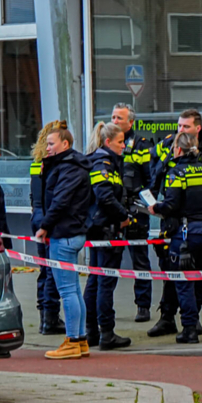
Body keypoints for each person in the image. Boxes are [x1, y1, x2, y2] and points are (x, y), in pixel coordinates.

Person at [147, 109, 202, 339]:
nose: (179, 130)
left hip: (185, 228)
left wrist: (156, 208)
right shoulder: (174, 150)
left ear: (197, 128)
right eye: (179, 125)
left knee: (182, 279)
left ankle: (190, 328)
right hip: (200, 228)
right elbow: (155, 176)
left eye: (185, 126)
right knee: (198, 279)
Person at [37, 123, 94, 360]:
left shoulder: (68, 167)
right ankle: (80, 340)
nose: (47, 148)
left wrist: (44, 226)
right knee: (74, 291)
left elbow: (59, 201)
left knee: (67, 290)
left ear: (65, 144)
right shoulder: (72, 165)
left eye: (51, 144)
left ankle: (72, 341)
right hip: (73, 232)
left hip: (64, 233)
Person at [82, 121, 133, 350]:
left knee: (95, 280)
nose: (124, 145)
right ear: (107, 142)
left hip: (99, 229)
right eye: (120, 142)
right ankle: (107, 333)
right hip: (106, 230)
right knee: (105, 282)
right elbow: (104, 196)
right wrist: (123, 216)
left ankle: (92, 332)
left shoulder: (102, 161)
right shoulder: (102, 164)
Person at [109, 103, 155, 322]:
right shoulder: (105, 143)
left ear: (131, 123)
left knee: (140, 260)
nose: (115, 121)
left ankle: (143, 306)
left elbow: (151, 180)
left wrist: (147, 204)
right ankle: (105, 306)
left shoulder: (142, 145)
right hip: (113, 209)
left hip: (136, 209)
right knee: (110, 259)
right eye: (113, 117)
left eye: (119, 118)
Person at [30, 121, 65, 335]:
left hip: (37, 217)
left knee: (45, 269)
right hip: (48, 220)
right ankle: (50, 318)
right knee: (52, 270)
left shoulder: (36, 162)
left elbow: (34, 196)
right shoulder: (52, 163)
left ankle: (45, 315)